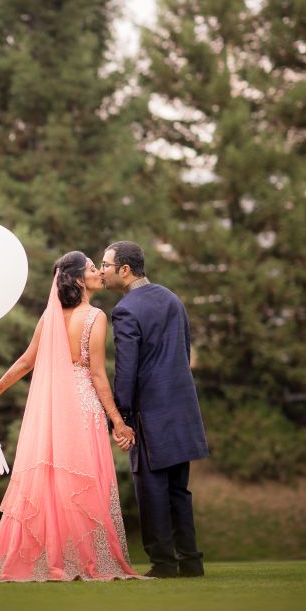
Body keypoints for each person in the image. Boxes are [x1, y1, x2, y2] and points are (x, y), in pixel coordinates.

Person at [0, 251, 142, 582]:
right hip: (83, 409)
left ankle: (55, 559)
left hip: (53, 411)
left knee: (55, 483)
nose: (99, 272)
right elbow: (97, 375)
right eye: (92, 269)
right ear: (80, 280)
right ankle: (82, 560)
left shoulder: (50, 318)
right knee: (82, 484)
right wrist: (118, 421)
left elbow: (25, 363)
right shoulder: (96, 317)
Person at [101, 241, 209, 578]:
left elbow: (126, 370)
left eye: (105, 265)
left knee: (151, 490)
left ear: (125, 270)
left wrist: (122, 418)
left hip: (152, 413)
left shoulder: (126, 310)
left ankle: (163, 564)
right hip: (183, 409)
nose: (101, 270)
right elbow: (184, 352)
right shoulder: (172, 299)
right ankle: (190, 561)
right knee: (179, 489)